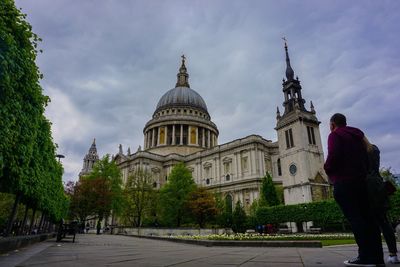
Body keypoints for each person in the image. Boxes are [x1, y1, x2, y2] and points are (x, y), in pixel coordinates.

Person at [324, 113, 384, 266]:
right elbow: (369, 157)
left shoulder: (335, 135)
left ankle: (365, 257)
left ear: (332, 125)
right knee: (369, 220)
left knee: (356, 220)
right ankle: (377, 258)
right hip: (362, 183)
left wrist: (328, 169)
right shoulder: (358, 135)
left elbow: (333, 157)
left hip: (345, 183)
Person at [367, 143, 400, 264]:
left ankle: (374, 255)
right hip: (378, 186)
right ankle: (393, 254)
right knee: (384, 222)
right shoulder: (374, 149)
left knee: (371, 225)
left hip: (369, 188)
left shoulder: (361, 153)